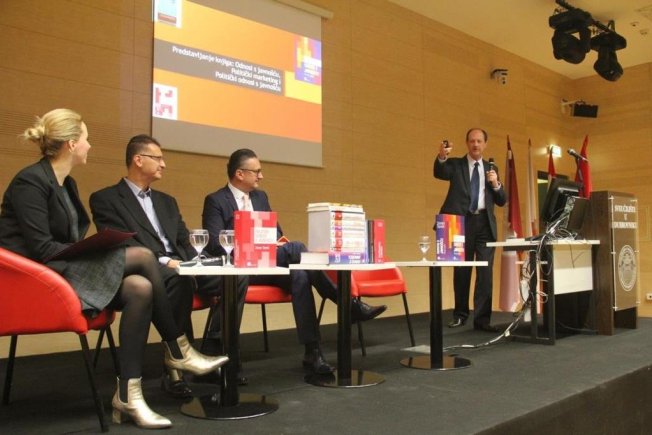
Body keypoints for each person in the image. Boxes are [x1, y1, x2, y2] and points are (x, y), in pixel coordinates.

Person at [0, 109, 228, 429]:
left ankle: (128, 396)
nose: (90, 145)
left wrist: (92, 250)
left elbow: (64, 243)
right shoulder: (30, 181)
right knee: (143, 256)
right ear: (70, 143)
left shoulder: (67, 184)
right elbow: (42, 250)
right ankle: (179, 348)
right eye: (86, 138)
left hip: (61, 270)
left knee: (140, 287)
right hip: (36, 280)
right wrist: (92, 252)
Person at [202, 148, 386, 374]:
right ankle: (347, 304)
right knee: (298, 248)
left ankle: (313, 352)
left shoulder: (260, 197)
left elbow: (277, 233)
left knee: (300, 274)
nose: (261, 176)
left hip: (268, 263)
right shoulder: (216, 200)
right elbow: (214, 244)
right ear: (240, 174)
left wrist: (270, 244)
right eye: (256, 171)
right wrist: (250, 245)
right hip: (240, 270)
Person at [89, 134, 249, 393]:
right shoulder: (105, 199)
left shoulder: (167, 201)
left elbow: (184, 240)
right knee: (178, 281)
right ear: (138, 160)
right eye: (158, 158)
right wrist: (166, 261)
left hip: (182, 266)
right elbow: (121, 245)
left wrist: (195, 262)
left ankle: (214, 347)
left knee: (235, 276)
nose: (163, 164)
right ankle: (176, 369)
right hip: (148, 269)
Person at [433, 128, 507, 332]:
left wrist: (496, 183)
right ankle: (460, 315)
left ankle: (482, 320)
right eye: (472, 141)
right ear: (467, 143)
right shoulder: (455, 165)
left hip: (484, 224)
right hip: (461, 224)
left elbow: (502, 200)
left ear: (485, 144)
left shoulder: (491, 168)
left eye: (479, 141)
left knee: (485, 274)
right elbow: (440, 172)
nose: (475, 144)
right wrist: (442, 156)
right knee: (462, 271)